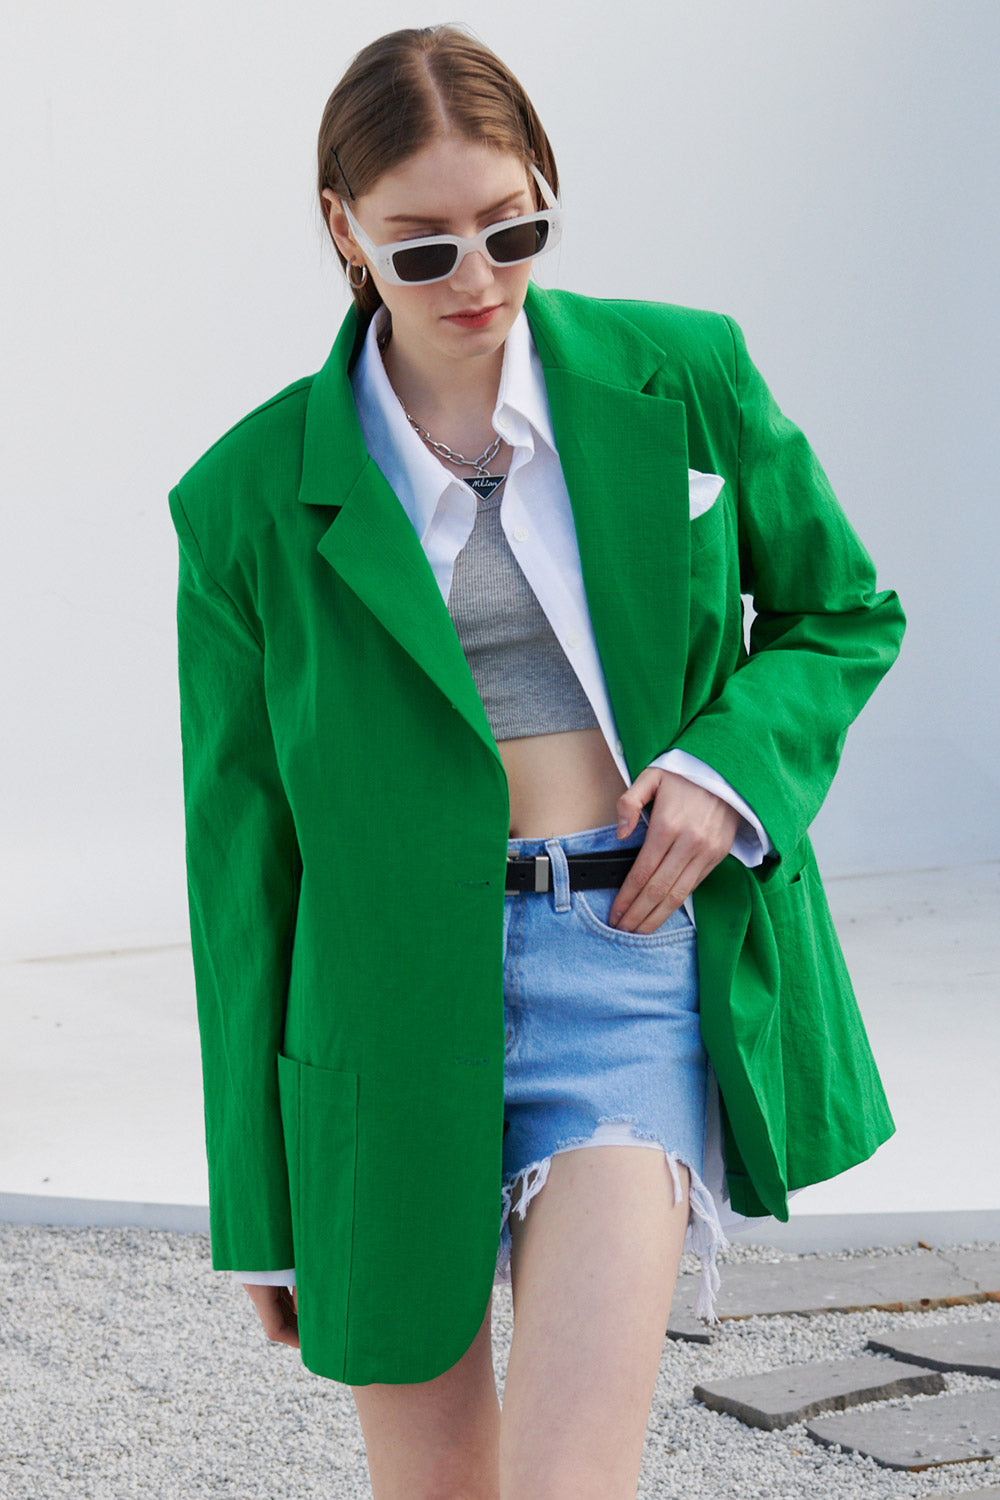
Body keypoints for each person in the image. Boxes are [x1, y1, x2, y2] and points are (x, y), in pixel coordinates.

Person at [168, 23, 905, 1500]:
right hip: (379, 1012)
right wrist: (259, 1202)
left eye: (513, 230)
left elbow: (840, 611)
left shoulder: (681, 374)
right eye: (423, 247)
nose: (479, 279)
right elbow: (241, 865)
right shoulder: (245, 498)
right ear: (343, 229)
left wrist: (723, 772)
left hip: (622, 965)